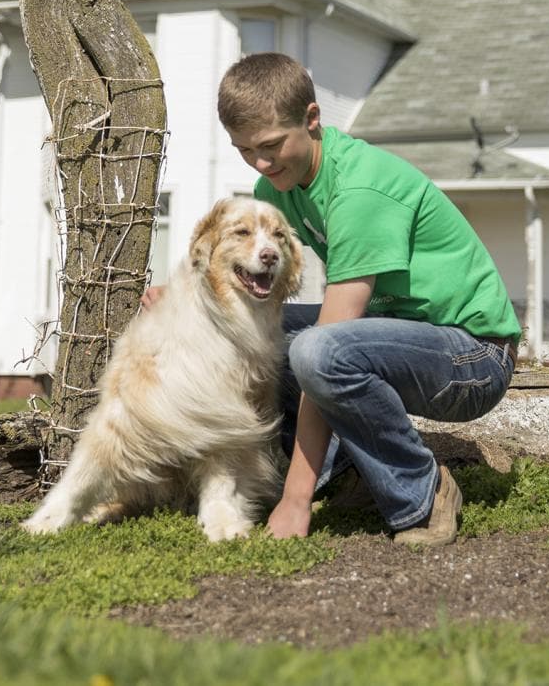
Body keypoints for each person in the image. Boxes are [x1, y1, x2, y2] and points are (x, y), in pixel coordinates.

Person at [214, 51, 519, 545]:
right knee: (249, 327)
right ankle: (348, 475)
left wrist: (295, 501)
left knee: (316, 350)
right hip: (397, 331)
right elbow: (255, 293)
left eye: (271, 145)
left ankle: (423, 492)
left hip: (474, 356)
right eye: (245, 150)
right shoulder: (277, 187)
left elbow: (329, 343)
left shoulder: (359, 189)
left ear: (312, 120)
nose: (261, 163)